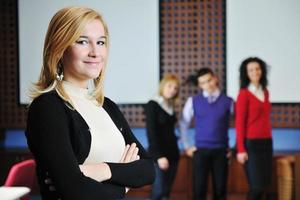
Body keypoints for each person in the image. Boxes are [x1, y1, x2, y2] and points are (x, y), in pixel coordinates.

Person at [25, 6, 155, 200]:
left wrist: (101, 170)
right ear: (60, 47)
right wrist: (124, 185)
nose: (95, 52)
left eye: (101, 42)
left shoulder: (106, 106)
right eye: (83, 41)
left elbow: (147, 169)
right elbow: (74, 191)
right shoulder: (47, 108)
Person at [180, 68, 233, 200]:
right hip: (200, 151)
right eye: (203, 82)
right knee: (199, 190)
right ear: (199, 85)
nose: (207, 84)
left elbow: (239, 124)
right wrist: (186, 146)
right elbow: (183, 124)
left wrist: (233, 146)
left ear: (215, 78)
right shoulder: (193, 101)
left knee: (220, 190)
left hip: (221, 151)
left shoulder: (229, 101)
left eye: (209, 80)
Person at [235, 57, 273, 200]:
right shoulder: (244, 94)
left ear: (262, 70)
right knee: (256, 187)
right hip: (251, 144)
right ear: (246, 73)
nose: (255, 72)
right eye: (251, 70)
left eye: (257, 68)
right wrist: (241, 149)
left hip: (267, 143)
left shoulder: (266, 92)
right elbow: (239, 123)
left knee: (264, 185)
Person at [145, 74, 180, 200]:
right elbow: (151, 133)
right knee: (158, 191)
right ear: (163, 86)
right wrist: (159, 156)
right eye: (169, 86)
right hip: (159, 155)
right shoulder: (152, 104)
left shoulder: (171, 106)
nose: (172, 90)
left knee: (166, 192)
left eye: (175, 88)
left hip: (173, 154)